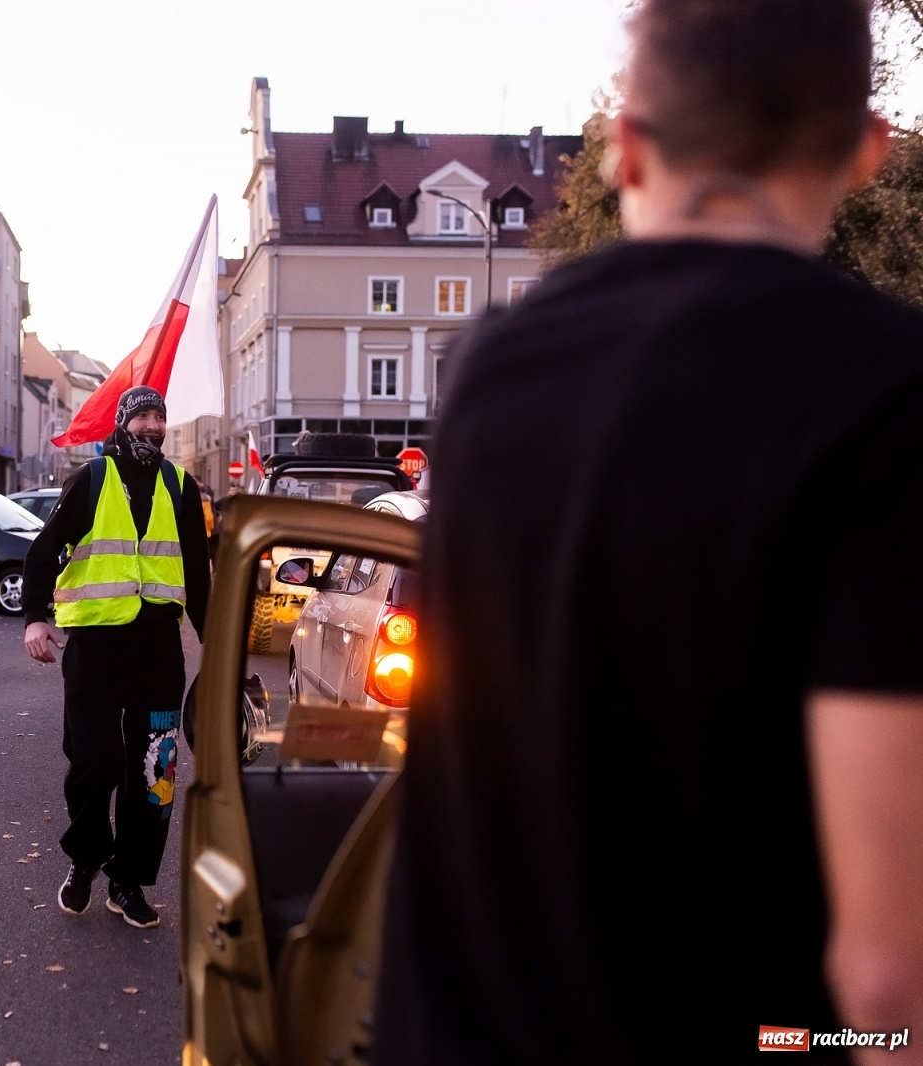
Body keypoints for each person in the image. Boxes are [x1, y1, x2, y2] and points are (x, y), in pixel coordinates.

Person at [377, 2, 923, 1063]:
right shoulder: (884, 393)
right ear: (866, 150)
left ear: (626, 149)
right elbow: (883, 972)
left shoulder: (490, 369)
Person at [22, 386, 211, 929]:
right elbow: (42, 552)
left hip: (156, 652)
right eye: (143, 416)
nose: (152, 426)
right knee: (95, 763)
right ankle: (85, 861)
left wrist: (219, 649)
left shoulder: (181, 487)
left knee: (154, 775)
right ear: (124, 424)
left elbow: (197, 578)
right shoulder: (92, 479)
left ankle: (127, 882)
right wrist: (36, 617)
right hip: (96, 652)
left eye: (159, 417)